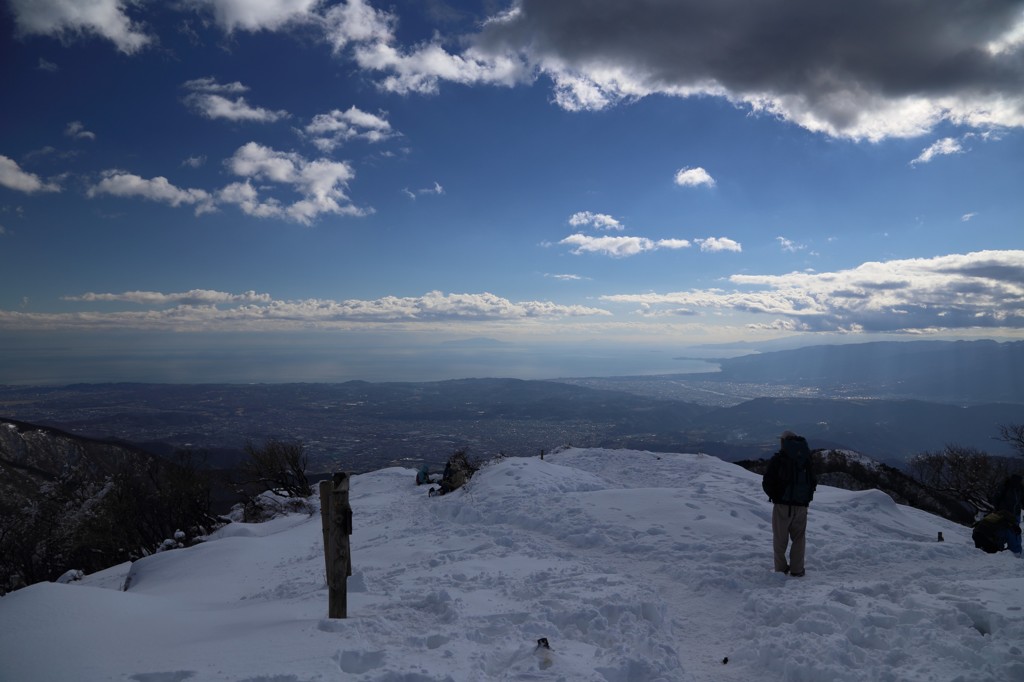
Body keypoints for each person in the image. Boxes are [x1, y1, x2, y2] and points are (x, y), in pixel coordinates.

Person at [762, 431, 817, 577]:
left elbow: (767, 481)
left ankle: (781, 569)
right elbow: (813, 481)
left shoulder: (779, 459)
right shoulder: (805, 459)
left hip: (782, 506)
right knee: (799, 538)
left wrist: (776, 497)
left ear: (783, 442)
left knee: (780, 539)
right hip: (801, 506)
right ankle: (797, 570)